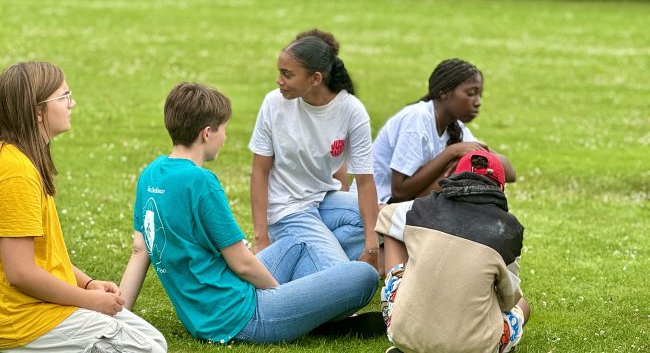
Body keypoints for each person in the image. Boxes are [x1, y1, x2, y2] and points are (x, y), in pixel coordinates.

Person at [119, 82, 378, 344]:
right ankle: (314, 315)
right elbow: (242, 263)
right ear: (207, 133)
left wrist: (118, 316)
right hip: (241, 316)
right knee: (364, 275)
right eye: (224, 129)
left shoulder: (150, 174)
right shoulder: (201, 182)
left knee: (298, 241)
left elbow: (140, 250)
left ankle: (312, 311)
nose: (226, 137)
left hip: (210, 309)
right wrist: (277, 296)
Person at [0, 62, 166, 352]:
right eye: (64, 97)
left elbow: (44, 256)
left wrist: (88, 284)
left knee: (154, 340)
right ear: (38, 111)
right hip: (23, 321)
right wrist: (87, 300)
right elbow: (20, 272)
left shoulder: (25, 159)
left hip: (44, 308)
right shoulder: (16, 171)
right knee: (147, 349)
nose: (72, 103)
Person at [249, 29, 380, 273]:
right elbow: (259, 171)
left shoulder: (352, 109)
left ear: (315, 79)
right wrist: (261, 239)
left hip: (323, 200)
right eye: (280, 72)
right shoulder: (273, 103)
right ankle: (314, 259)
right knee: (345, 276)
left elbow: (364, 181)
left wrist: (372, 247)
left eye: (287, 75)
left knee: (380, 221)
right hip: (288, 209)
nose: (279, 80)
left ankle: (297, 257)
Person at [376, 150, 530, 353]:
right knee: (522, 304)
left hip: (402, 334)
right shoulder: (509, 230)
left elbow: (385, 214)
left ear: (454, 177)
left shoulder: (421, 208)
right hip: (472, 347)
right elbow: (508, 300)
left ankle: (410, 333)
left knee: (393, 236)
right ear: (501, 188)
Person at [352, 58, 516, 204]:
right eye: (471, 93)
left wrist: (481, 155)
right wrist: (452, 152)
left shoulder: (455, 126)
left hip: (403, 206)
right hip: (376, 206)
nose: (478, 102)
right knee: (461, 167)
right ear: (444, 93)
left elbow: (509, 173)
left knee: (476, 168)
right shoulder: (417, 119)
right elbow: (399, 192)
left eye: (480, 94)